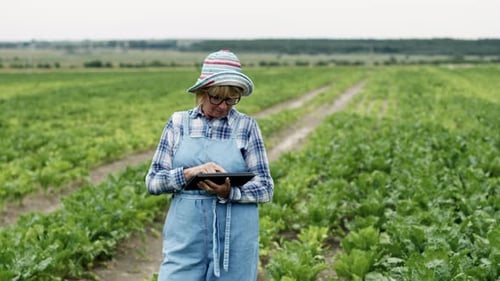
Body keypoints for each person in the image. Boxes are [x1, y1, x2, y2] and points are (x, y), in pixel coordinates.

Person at [145, 49, 274, 281]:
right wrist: (188, 173)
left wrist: (230, 191)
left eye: (231, 99)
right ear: (202, 92)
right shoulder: (178, 123)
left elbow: (265, 187)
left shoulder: (246, 126)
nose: (223, 106)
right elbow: (153, 181)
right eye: (216, 97)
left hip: (235, 234)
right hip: (187, 233)